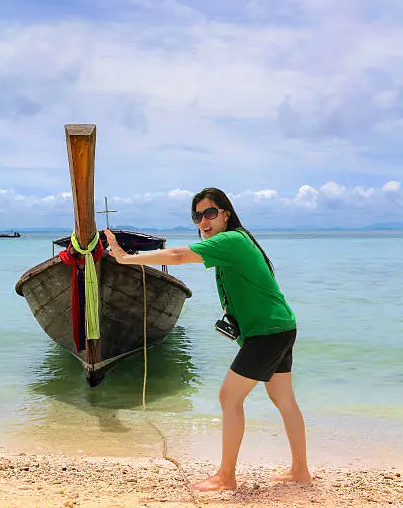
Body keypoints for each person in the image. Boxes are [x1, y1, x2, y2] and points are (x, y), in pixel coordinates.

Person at [105, 187, 311, 492]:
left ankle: (227, 477)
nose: (204, 221)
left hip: (268, 332)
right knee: (283, 399)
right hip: (280, 326)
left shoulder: (230, 240)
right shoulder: (234, 242)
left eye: (210, 213)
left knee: (229, 397)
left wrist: (126, 258)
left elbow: (177, 255)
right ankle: (300, 471)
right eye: (197, 216)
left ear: (226, 214)